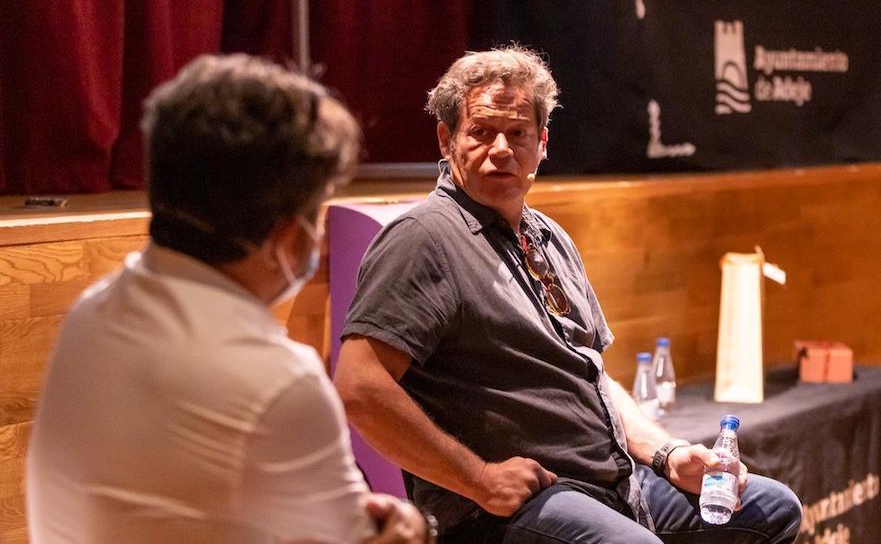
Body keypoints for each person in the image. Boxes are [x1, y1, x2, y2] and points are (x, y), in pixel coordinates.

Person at [333, 46, 802, 543]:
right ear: (447, 139)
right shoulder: (423, 237)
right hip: (508, 509)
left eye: (518, 133)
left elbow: (590, 370)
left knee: (772, 509)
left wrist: (667, 455)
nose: (501, 149)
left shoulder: (549, 235)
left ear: (542, 143)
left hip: (614, 484)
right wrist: (480, 480)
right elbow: (360, 387)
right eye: (481, 132)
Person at [26, 54, 431, 544]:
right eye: (315, 209)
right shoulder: (278, 381)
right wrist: (413, 529)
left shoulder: (90, 311)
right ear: (284, 238)